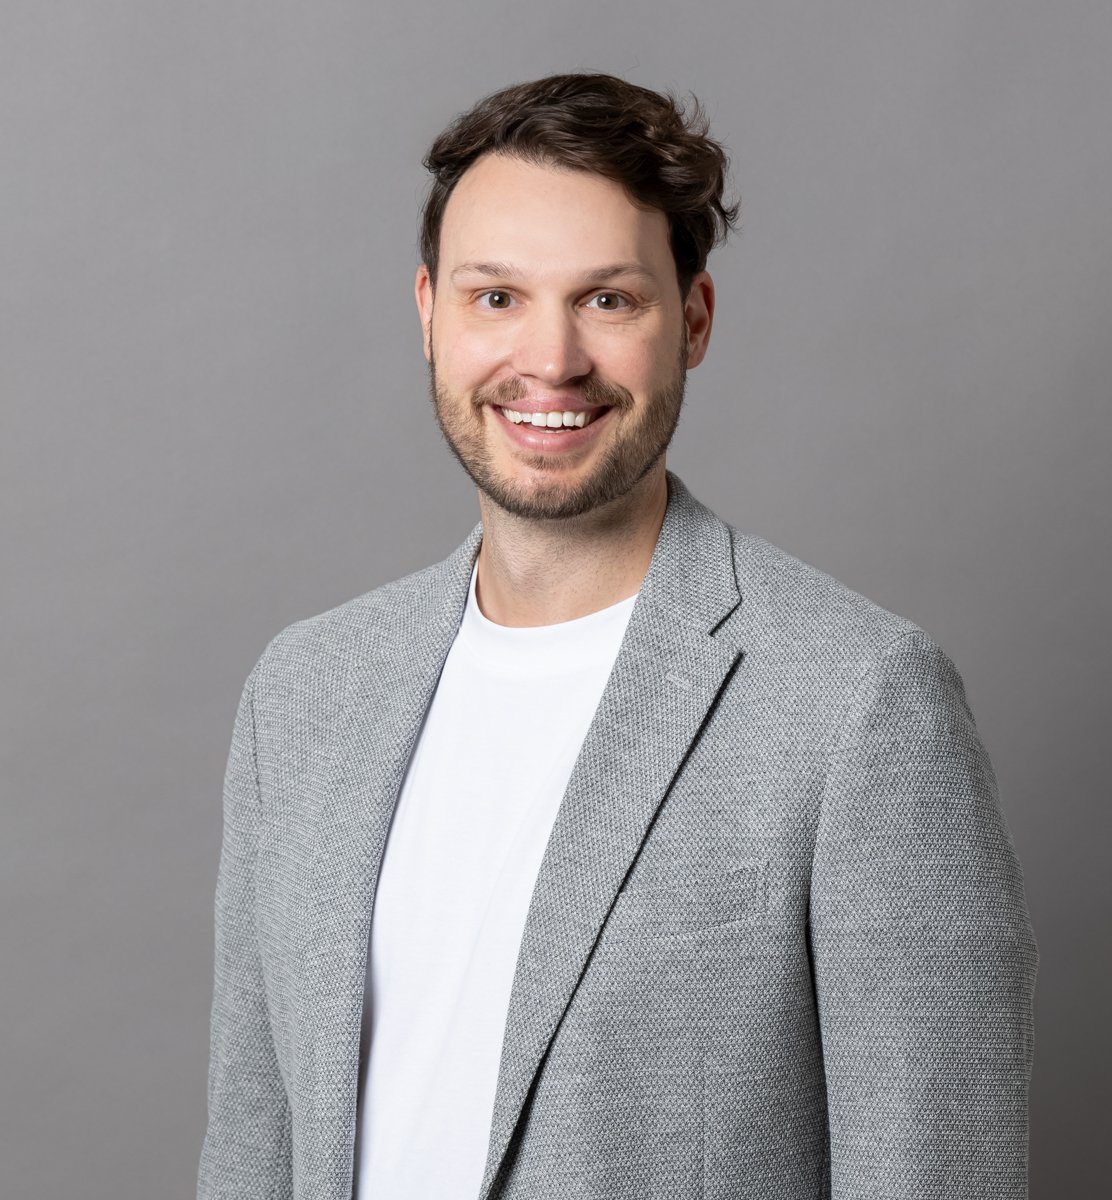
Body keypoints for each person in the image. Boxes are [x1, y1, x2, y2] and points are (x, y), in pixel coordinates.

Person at [197, 72, 1038, 1200]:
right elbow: (252, 1153)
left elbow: (935, 1170)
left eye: (606, 299)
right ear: (430, 312)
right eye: (497, 296)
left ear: (692, 321)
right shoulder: (303, 693)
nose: (550, 360)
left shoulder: (858, 702)